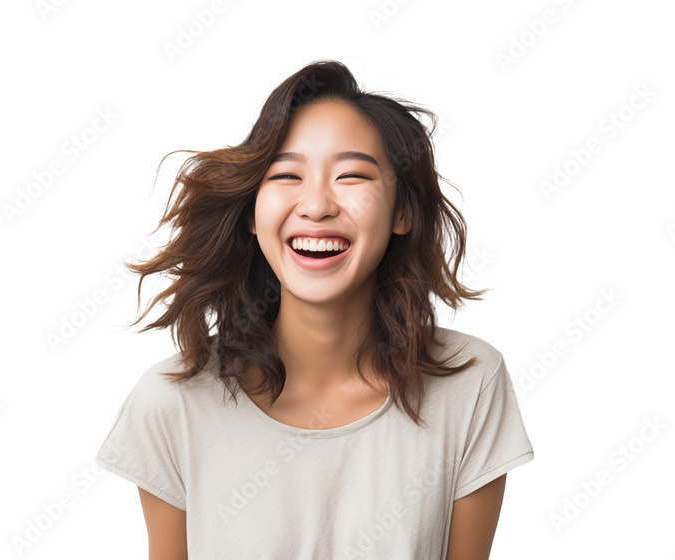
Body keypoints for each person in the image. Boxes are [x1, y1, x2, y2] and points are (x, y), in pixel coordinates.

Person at [95, 59, 534, 559]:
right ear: (252, 214)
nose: (316, 205)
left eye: (352, 175)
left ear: (403, 212)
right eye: (287, 174)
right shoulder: (173, 402)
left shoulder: (470, 384)